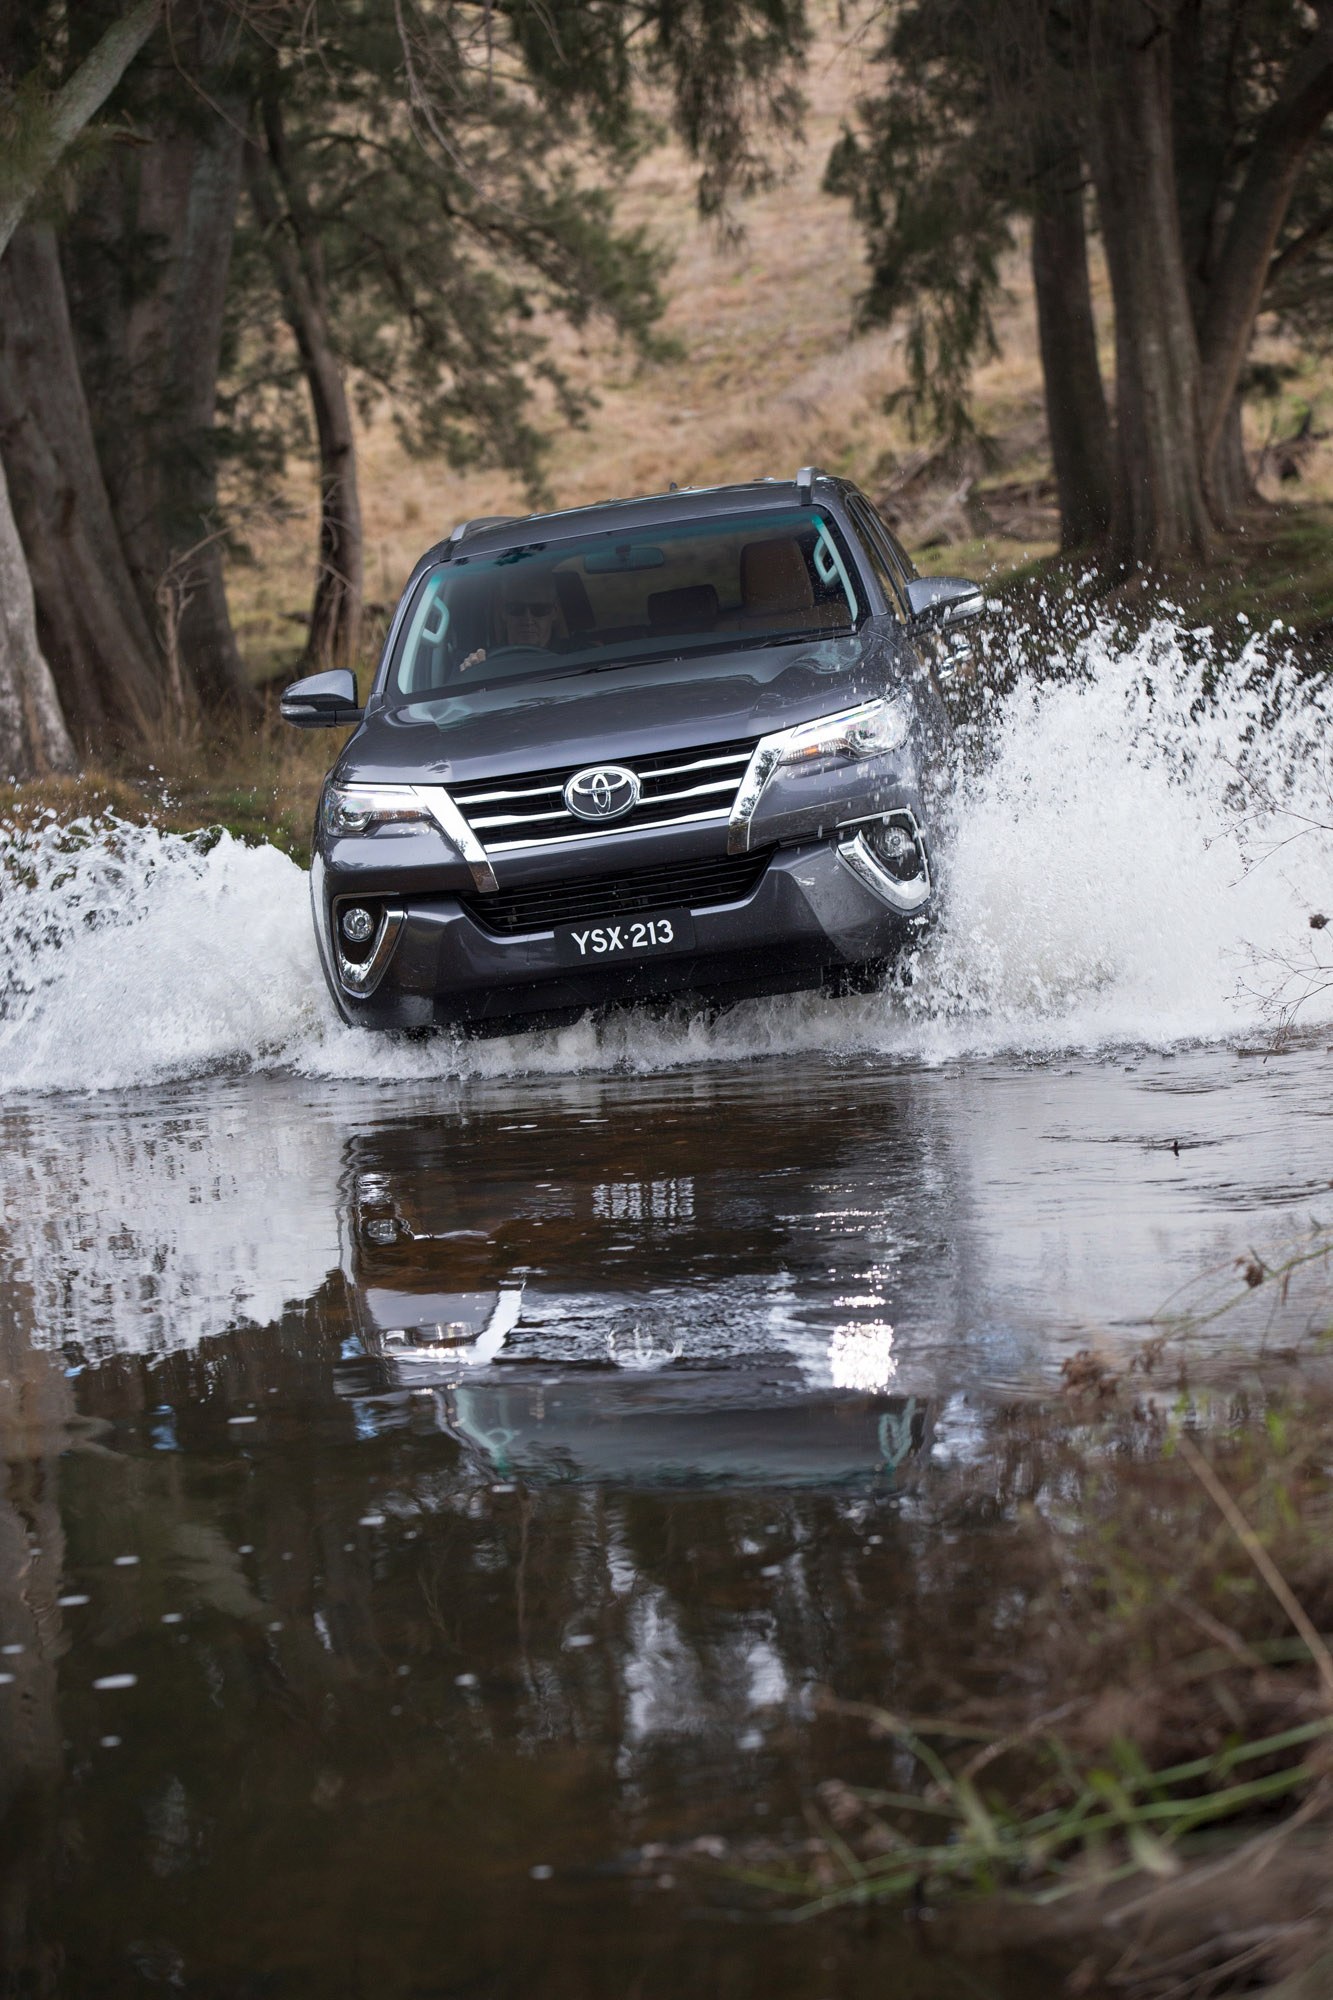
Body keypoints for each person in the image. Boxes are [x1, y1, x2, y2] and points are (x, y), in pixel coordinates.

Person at [459, 574, 559, 673]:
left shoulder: (571, 658)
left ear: (554, 612)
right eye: (516, 609)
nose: (528, 620)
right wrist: (472, 671)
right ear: (503, 612)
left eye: (539, 609)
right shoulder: (486, 663)